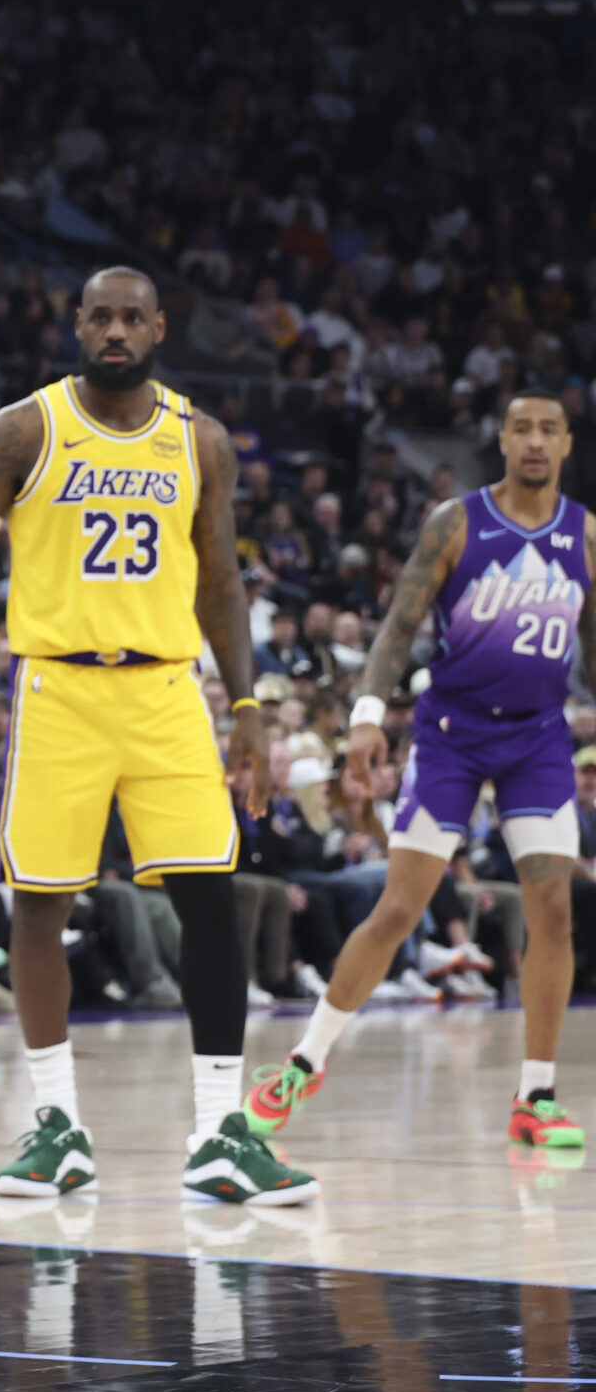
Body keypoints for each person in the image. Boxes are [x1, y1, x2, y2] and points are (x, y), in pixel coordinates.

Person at [0, 266, 315, 1207]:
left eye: (132, 317)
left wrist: (244, 707)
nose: (115, 330)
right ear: (77, 325)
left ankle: (218, 1132)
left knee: (212, 897)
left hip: (166, 690)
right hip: (58, 688)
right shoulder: (21, 430)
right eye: (100, 316)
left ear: (159, 326)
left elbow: (222, 588)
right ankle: (57, 1125)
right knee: (40, 905)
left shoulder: (200, 440)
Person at [248, 392, 588, 1151]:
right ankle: (306, 1059)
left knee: (554, 909)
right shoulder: (457, 521)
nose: (535, 441)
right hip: (450, 734)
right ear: (501, 439)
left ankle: (535, 1094)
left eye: (548, 430)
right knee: (399, 908)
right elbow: (400, 625)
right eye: (522, 428)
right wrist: (368, 715)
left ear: (567, 443)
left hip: (537, 739)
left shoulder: (585, 534)